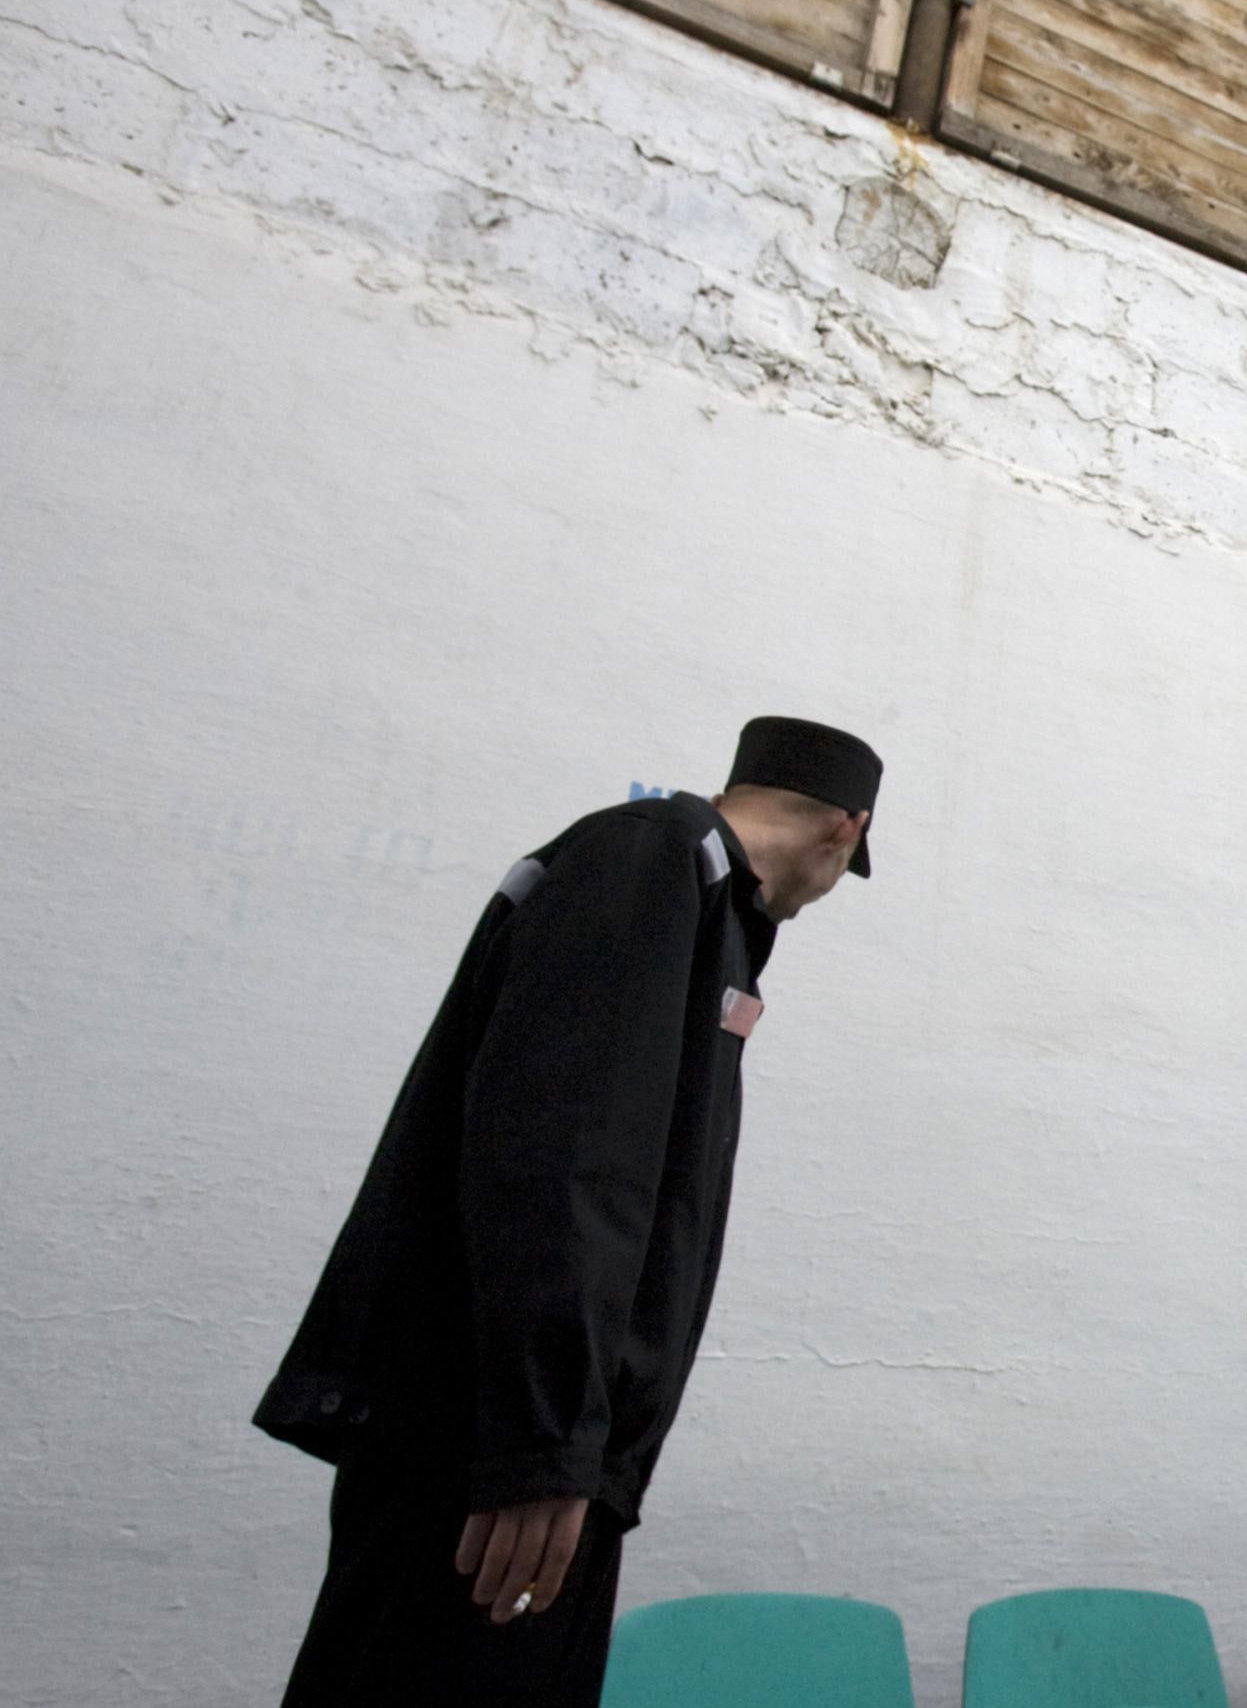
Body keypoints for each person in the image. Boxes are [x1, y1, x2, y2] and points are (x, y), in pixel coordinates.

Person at [254, 716, 885, 1706]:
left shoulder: (694, 900)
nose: (814, 903)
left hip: (537, 1452)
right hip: (495, 1457)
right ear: (842, 832)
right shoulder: (649, 861)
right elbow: (565, 1157)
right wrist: (541, 1446)